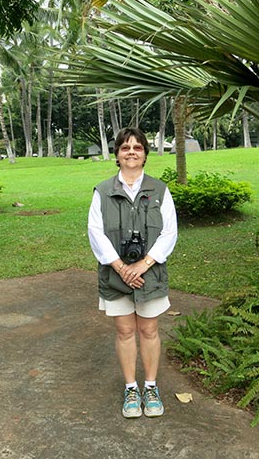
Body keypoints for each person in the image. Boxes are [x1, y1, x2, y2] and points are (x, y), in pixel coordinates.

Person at [88, 127, 178, 419]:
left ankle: (150, 387)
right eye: (125, 147)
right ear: (117, 154)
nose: (131, 152)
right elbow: (96, 233)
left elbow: (169, 232)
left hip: (149, 273)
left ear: (145, 155)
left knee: (149, 330)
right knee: (125, 331)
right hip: (115, 275)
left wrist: (143, 264)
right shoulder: (102, 191)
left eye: (137, 147)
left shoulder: (160, 191)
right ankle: (131, 388)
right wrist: (121, 268)